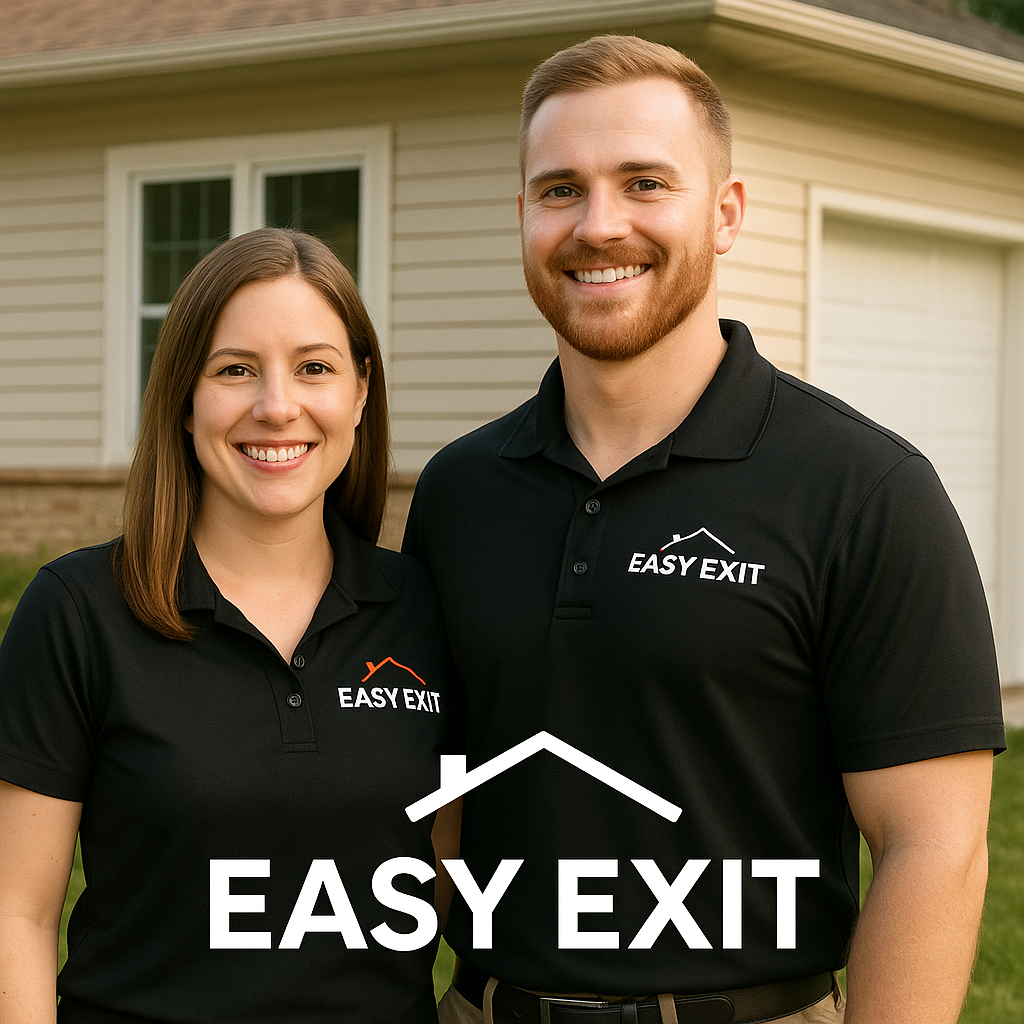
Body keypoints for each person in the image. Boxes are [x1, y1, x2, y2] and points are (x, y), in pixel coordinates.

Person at [403, 35, 1005, 1024]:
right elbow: (435, 796)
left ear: (724, 214)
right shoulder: (462, 491)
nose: (599, 225)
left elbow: (932, 848)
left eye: (644, 182)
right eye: (560, 189)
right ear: (522, 217)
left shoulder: (864, 488)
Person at [0, 228, 460, 1024]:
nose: (276, 406)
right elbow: (18, 916)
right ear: (185, 398)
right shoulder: (78, 610)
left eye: (313, 367)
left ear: (359, 391)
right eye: (234, 370)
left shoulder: (428, 609)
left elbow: (457, 890)